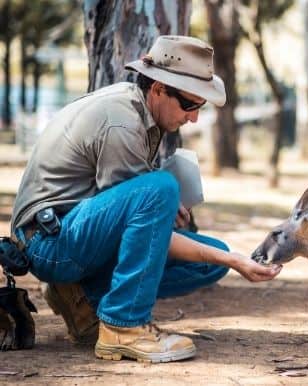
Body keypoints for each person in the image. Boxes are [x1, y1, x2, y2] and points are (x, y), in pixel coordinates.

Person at [10, 35, 282, 363]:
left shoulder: (141, 112)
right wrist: (234, 261)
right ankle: (123, 325)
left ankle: (83, 297)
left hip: (70, 233)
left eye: (200, 107)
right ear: (158, 89)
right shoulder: (122, 122)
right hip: (47, 244)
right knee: (164, 192)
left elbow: (131, 226)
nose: (194, 117)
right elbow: (143, 224)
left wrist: (172, 222)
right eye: (189, 104)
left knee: (210, 260)